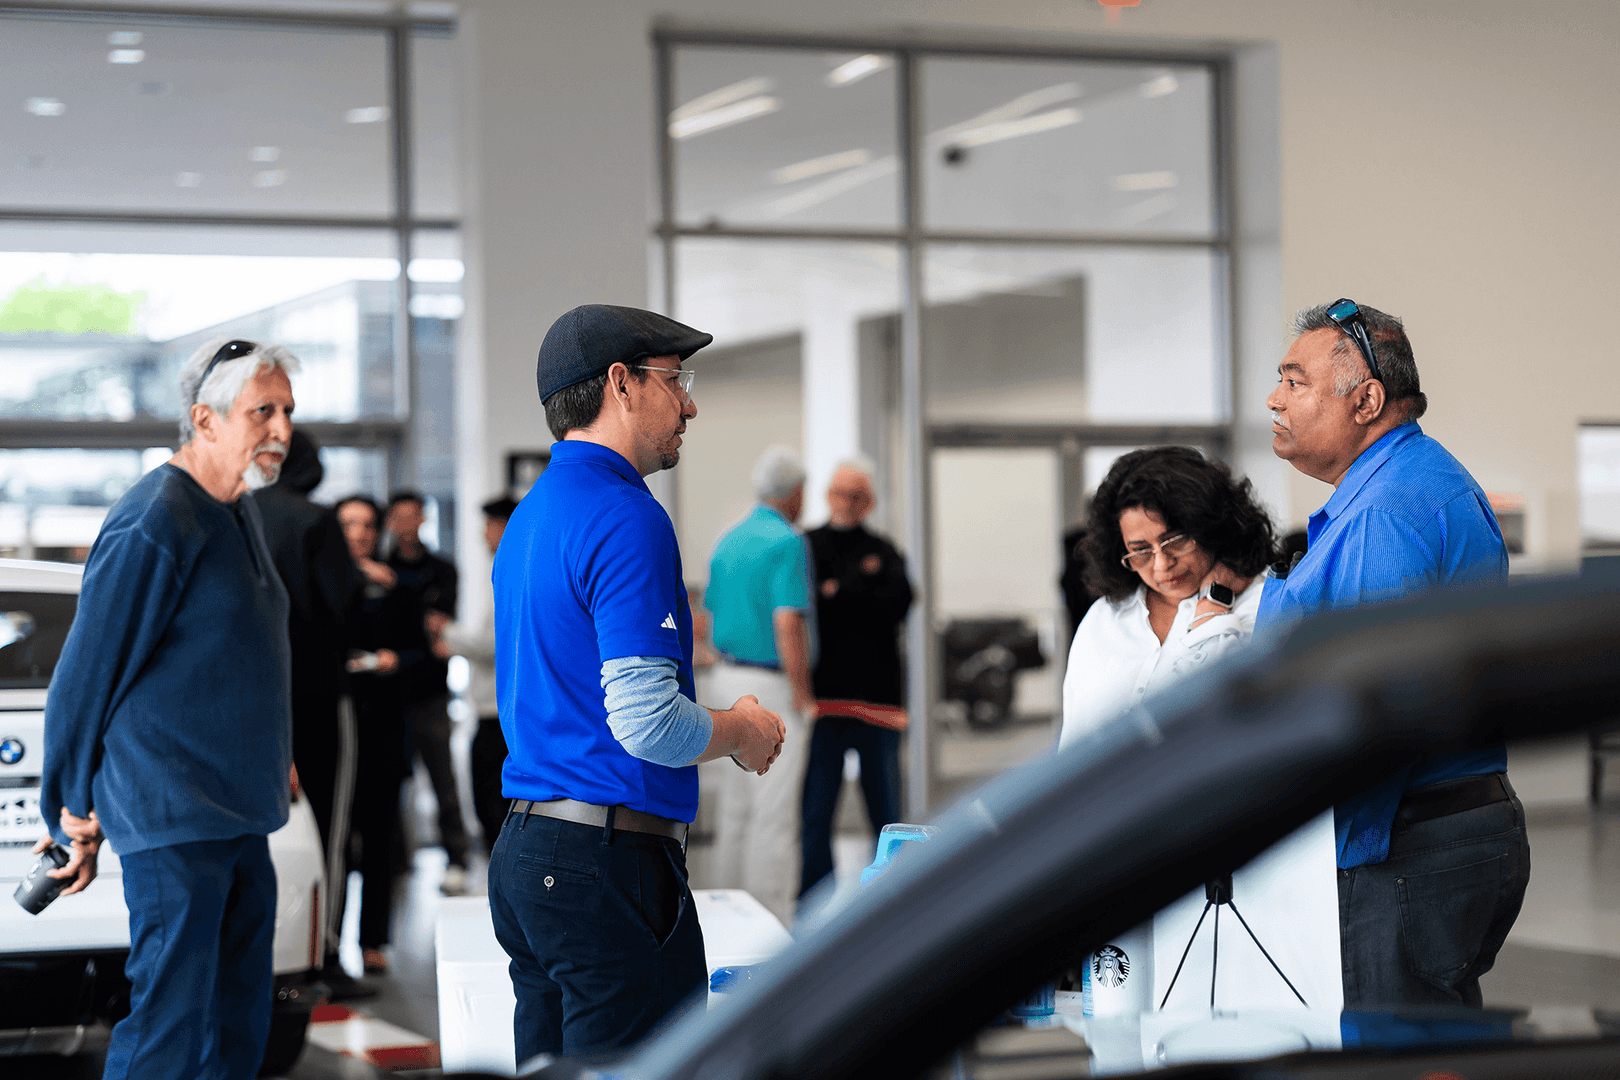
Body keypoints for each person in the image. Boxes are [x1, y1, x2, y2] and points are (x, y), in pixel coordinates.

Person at [490, 304, 785, 1060]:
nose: (689, 402)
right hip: (603, 869)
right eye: (674, 379)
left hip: (529, 856)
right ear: (620, 384)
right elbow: (648, 722)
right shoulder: (626, 515)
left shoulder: (531, 517)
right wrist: (744, 730)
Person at [36, 338, 298, 1080]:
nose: (281, 429)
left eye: (287, 411)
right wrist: (71, 807)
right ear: (204, 419)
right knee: (171, 1028)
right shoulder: (157, 518)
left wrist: (276, 751)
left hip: (242, 809)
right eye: (262, 412)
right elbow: (86, 674)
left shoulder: (238, 508)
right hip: (173, 813)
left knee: (238, 1020)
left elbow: (235, 657)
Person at [1257, 298, 1526, 1009]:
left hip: (1404, 849)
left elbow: (1366, 703)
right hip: (1452, 833)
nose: (1274, 399)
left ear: (1367, 400)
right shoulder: (1412, 484)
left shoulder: (1384, 513)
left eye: (1295, 381)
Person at [255, 430, 373, 998]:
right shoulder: (314, 519)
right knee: (329, 820)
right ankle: (323, 954)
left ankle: (257, 949)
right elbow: (342, 600)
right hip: (318, 691)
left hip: (253, 696)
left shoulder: (237, 511)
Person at [1060, 446, 1276, 746]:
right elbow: (1072, 742)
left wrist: (1214, 605)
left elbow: (1228, 718)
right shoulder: (1105, 617)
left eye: (1175, 540)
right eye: (1140, 551)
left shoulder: (1267, 601)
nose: (1162, 564)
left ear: (1211, 526)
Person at [706, 445, 816, 922]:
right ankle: (771, 926)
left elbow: (709, 617)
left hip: (724, 680)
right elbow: (788, 622)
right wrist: (803, 694)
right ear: (794, 493)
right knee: (774, 812)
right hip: (769, 686)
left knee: (735, 810)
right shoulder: (787, 541)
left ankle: (726, 916)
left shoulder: (728, 540)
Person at [798, 457, 913, 901]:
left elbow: (897, 605)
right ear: (827, 496)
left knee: (886, 813)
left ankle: (894, 899)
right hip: (822, 703)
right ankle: (814, 908)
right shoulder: (805, 546)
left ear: (870, 503)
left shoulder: (884, 551)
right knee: (815, 812)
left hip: (879, 705)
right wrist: (857, 587)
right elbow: (809, 610)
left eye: (856, 496)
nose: (847, 502)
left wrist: (837, 592)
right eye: (840, 493)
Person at [336, 494, 428, 976]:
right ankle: (327, 943)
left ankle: (373, 941)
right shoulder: (322, 583)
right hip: (334, 731)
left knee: (379, 843)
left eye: (368, 524)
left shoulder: (399, 587)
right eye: (349, 523)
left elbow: (423, 654)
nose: (360, 533)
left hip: (386, 730)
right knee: (334, 843)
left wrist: (395, 658)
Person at [384, 490, 471, 896]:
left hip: (432, 691)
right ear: (390, 521)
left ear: (423, 520)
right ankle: (395, 861)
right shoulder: (378, 568)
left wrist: (398, 596)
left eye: (413, 516)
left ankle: (457, 858)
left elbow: (441, 625)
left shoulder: (442, 569)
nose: (406, 524)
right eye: (398, 517)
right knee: (389, 783)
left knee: (443, 781)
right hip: (387, 694)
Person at [434, 494, 519, 856]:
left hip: (499, 711)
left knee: (493, 804)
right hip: (493, 708)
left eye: (489, 525)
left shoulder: (513, 570)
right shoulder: (504, 568)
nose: (484, 534)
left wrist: (448, 633)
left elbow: (495, 643)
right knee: (489, 802)